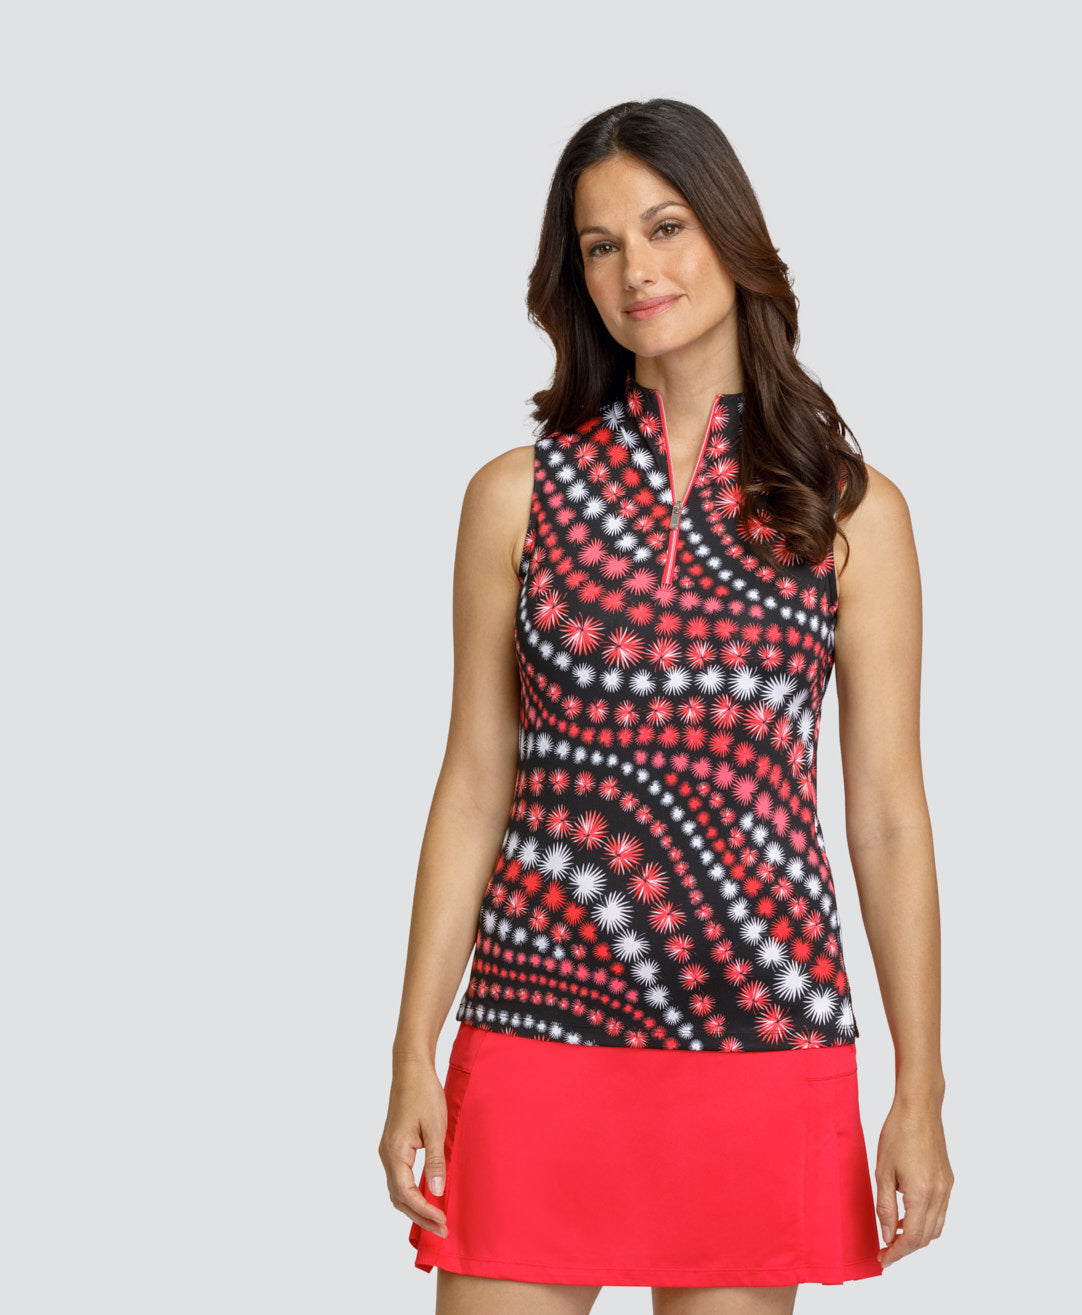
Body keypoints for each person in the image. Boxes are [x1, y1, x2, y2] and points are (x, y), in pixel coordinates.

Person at [379, 98, 953, 1314]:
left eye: (664, 226)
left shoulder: (849, 515)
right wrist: (410, 1047)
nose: (635, 270)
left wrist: (919, 1088)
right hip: (535, 1021)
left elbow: (887, 816)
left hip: (757, 1029)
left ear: (730, 234)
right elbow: (475, 784)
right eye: (600, 246)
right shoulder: (514, 498)